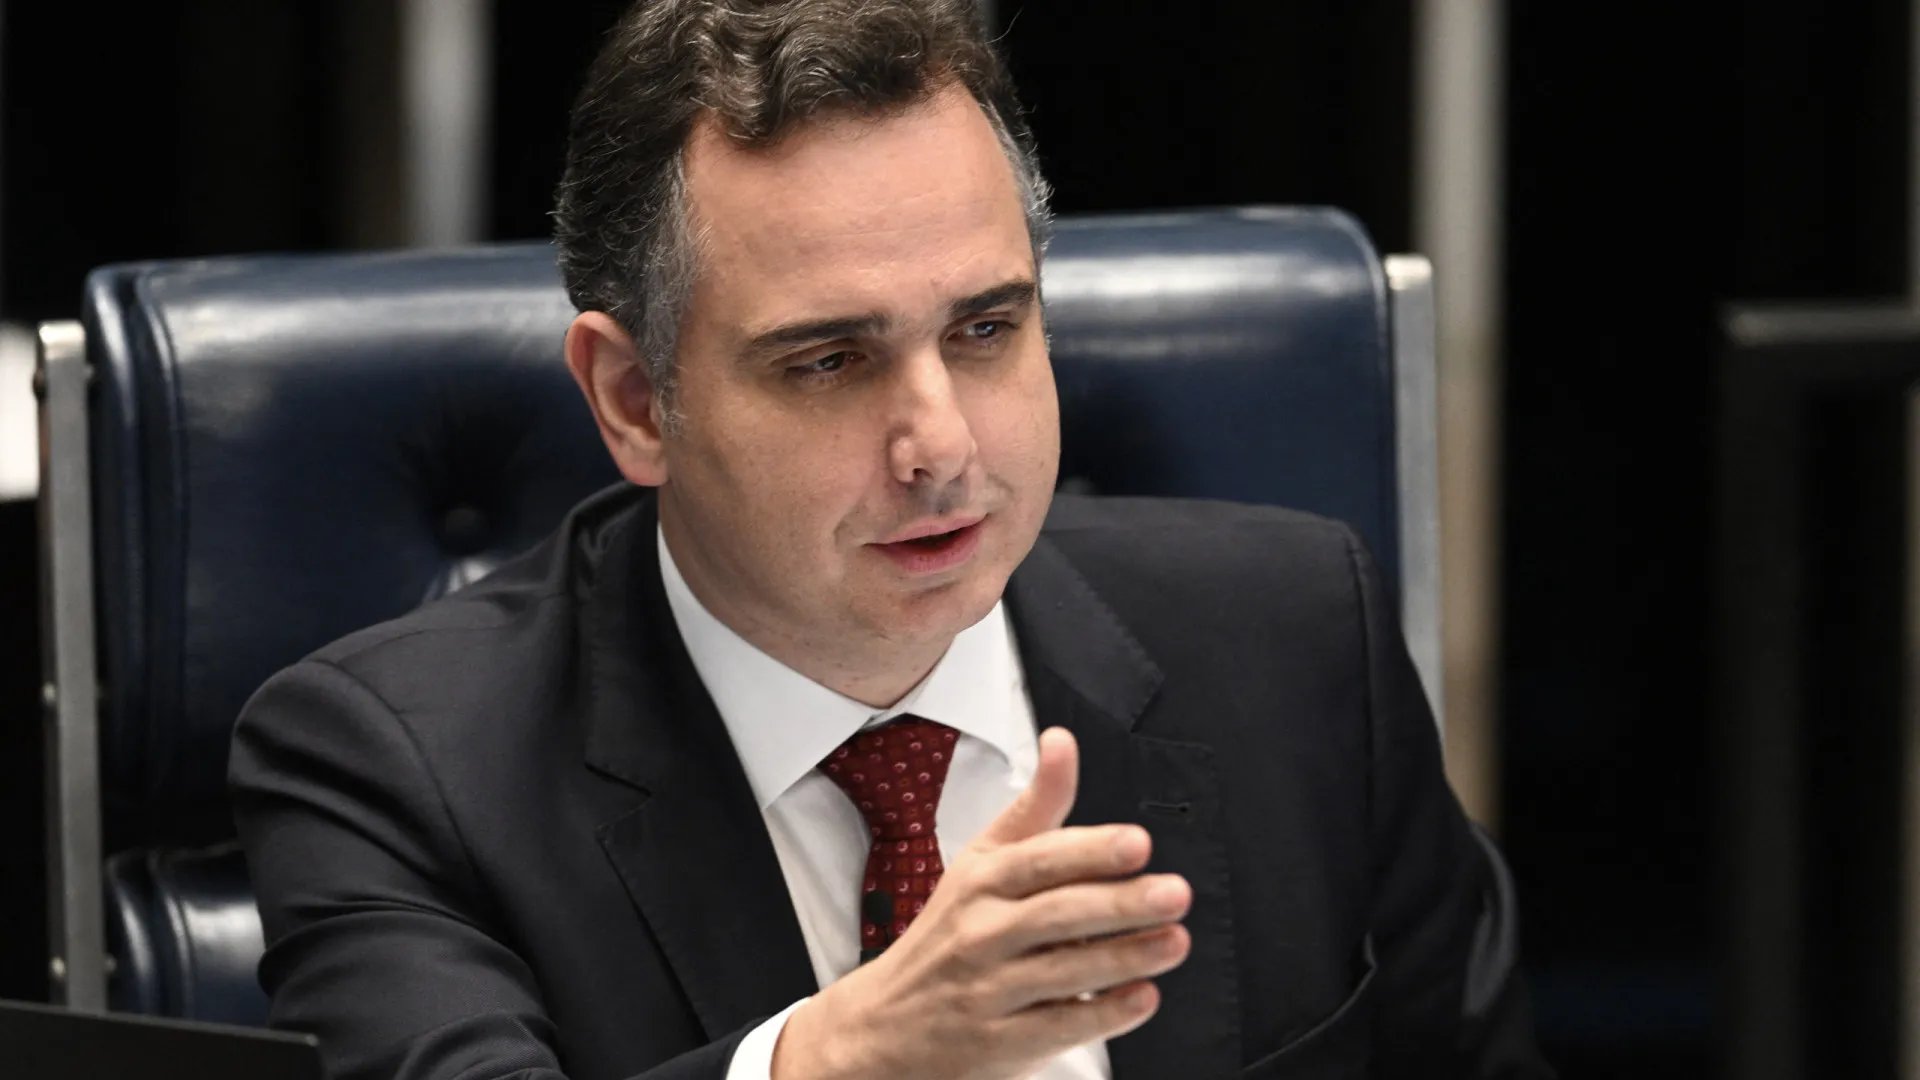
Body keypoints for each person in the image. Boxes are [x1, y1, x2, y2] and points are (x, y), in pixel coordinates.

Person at [229, 1, 1552, 1077]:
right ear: (635, 401)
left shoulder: (1295, 639)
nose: (942, 445)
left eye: (985, 330)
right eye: (829, 361)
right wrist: (841, 1061)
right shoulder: (393, 768)